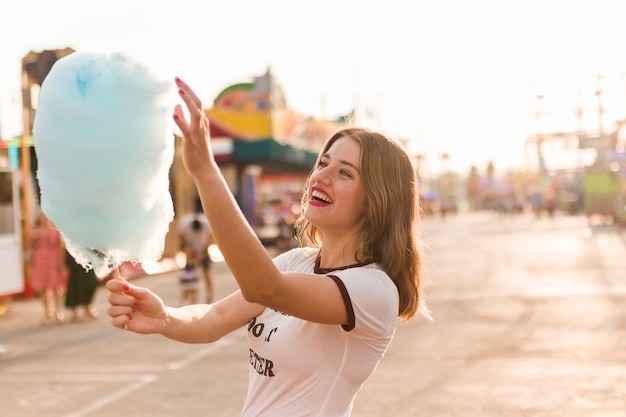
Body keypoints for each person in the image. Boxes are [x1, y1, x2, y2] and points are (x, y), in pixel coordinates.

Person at [106, 78, 429, 416]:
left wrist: (206, 172)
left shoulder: (373, 290)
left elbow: (264, 287)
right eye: (323, 163)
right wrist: (165, 317)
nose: (321, 176)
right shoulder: (295, 262)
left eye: (345, 173)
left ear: (376, 201)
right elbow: (215, 317)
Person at [28, 211, 67, 324]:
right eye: (42, 217)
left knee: (56, 286)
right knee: (43, 287)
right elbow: (29, 247)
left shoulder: (56, 232)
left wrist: (61, 263)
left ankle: (58, 311)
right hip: (40, 260)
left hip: (53, 260)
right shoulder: (35, 232)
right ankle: (47, 312)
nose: (44, 219)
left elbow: (61, 248)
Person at [179, 214, 214, 303]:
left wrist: (204, 250)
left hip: (203, 250)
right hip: (192, 251)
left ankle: (210, 296)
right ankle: (192, 299)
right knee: (190, 275)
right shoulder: (185, 224)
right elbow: (182, 238)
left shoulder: (206, 224)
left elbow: (210, 238)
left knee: (207, 273)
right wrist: (190, 250)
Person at [64, 250, 100, 321]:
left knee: (91, 281)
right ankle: (74, 310)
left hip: (88, 254)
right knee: (74, 281)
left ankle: (87, 307)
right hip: (74, 253)